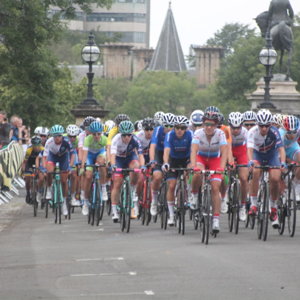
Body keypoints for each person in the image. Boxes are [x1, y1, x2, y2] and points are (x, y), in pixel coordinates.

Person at [190, 111, 228, 233]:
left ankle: (216, 219)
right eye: (206, 124)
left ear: (216, 125)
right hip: (201, 158)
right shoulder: (198, 133)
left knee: (216, 187)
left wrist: (221, 168)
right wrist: (194, 165)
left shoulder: (220, 134)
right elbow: (193, 151)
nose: (209, 127)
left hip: (215, 160)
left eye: (212, 124)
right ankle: (195, 195)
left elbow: (224, 153)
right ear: (203, 124)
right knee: (197, 173)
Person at [247, 109, 286, 229]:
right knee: (256, 171)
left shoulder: (275, 132)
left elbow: (281, 149)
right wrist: (250, 161)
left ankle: (273, 208)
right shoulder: (252, 132)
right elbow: (250, 149)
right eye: (261, 126)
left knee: (275, 178)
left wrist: (283, 162)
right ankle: (254, 204)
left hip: (271, 156)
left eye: (266, 126)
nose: (264, 128)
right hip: (258, 155)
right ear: (257, 124)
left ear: (270, 125)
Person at [110, 120, 144, 222]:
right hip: (119, 159)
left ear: (131, 134)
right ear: (120, 134)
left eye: (129, 135)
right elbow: (112, 155)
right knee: (117, 183)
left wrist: (142, 166)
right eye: (124, 135)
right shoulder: (116, 139)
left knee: (136, 166)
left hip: (130, 158)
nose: (126, 138)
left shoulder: (135, 140)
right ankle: (114, 210)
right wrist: (113, 165)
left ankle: (132, 190)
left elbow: (141, 155)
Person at [161, 115, 193, 226]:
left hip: (186, 159)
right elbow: (166, 150)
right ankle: (171, 214)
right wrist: (165, 163)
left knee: (191, 171)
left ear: (186, 129)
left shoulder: (190, 135)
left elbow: (194, 150)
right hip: (173, 160)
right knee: (172, 185)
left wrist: (192, 164)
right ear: (174, 127)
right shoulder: (170, 135)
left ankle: (189, 193)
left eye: (183, 128)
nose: (180, 130)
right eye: (177, 127)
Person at [43, 125, 75, 216]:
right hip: (52, 156)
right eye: (55, 136)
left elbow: (73, 154)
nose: (57, 138)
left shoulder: (67, 142)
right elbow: (45, 157)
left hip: (63, 158)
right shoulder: (49, 142)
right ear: (52, 136)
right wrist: (45, 168)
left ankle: (64, 203)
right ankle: (49, 189)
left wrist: (71, 166)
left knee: (64, 181)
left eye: (59, 136)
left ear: (62, 135)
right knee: (49, 171)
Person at [149, 113, 175, 216]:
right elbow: (152, 146)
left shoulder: (175, 132)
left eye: (171, 126)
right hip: (159, 154)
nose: (168, 129)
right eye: (166, 126)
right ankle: (154, 201)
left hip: (171, 155)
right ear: (162, 125)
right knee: (157, 176)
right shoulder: (158, 130)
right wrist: (151, 160)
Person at [80, 121, 108, 216]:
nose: (96, 136)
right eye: (94, 134)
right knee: (88, 176)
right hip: (89, 156)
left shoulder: (105, 139)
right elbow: (84, 155)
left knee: (102, 163)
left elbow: (108, 153)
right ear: (91, 133)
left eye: (99, 134)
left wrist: (108, 163)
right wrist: (83, 166)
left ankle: (103, 187)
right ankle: (85, 202)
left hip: (100, 154)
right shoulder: (87, 139)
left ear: (101, 133)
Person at [228, 112, 249, 222]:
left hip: (241, 152)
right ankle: (225, 195)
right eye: (233, 127)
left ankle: (243, 206)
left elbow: (249, 148)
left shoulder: (245, 132)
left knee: (244, 179)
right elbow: (225, 149)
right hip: (229, 150)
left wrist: (250, 162)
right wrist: (230, 161)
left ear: (242, 126)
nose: (235, 130)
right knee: (224, 173)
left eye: (238, 127)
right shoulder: (226, 132)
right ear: (229, 125)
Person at [279, 115, 300, 197]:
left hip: (292, 147)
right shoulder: (280, 133)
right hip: (280, 149)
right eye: (289, 132)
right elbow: (280, 151)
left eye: (294, 132)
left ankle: (295, 185)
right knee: (280, 167)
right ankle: (285, 185)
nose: (292, 135)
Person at [22, 136, 44, 204]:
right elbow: (25, 162)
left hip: (39, 163)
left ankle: (39, 191)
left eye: (38, 145)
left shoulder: (43, 149)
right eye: (35, 146)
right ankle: (28, 193)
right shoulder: (29, 150)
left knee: (41, 177)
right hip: (30, 163)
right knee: (28, 179)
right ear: (32, 145)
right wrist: (23, 172)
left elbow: (44, 161)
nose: (36, 147)